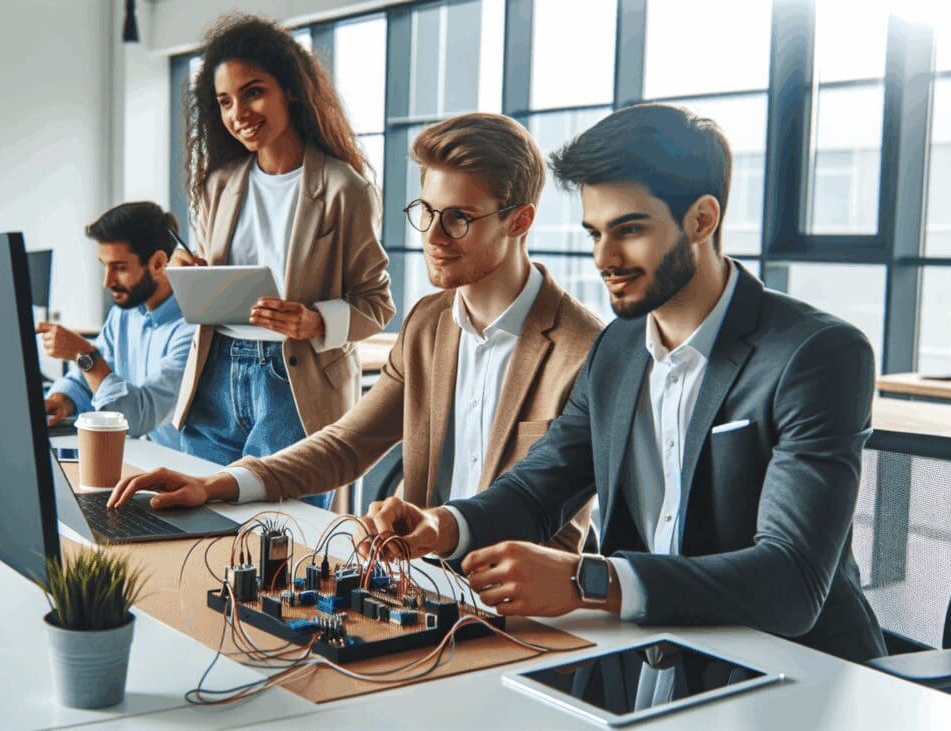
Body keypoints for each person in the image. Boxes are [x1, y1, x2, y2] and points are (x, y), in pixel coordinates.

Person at [360, 103, 887, 663]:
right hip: (641, 659)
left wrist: (589, 581)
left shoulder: (817, 355)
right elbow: (538, 489)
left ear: (701, 220)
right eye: (595, 233)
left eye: (629, 230)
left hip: (791, 669)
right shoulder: (617, 349)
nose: (604, 258)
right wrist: (441, 524)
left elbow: (791, 581)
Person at [108, 113, 603, 553]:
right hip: (421, 584)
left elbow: (561, 527)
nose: (432, 237)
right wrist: (216, 485)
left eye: (458, 219)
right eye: (427, 211)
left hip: (516, 604)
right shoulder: (426, 324)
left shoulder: (584, 349)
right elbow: (347, 445)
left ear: (520, 220)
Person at [164, 14, 395, 509]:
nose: (238, 113)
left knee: (281, 537)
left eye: (253, 92)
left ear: (289, 90)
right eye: (225, 101)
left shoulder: (344, 189)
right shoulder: (219, 184)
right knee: (202, 526)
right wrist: (190, 274)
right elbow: (212, 285)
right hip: (215, 377)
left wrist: (315, 322)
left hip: (294, 386)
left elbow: (377, 304)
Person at [40, 202, 194, 450]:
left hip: (182, 465)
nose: (107, 281)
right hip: (140, 454)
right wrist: (63, 401)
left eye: (120, 268)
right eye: (105, 265)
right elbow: (94, 380)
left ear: (158, 263)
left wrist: (84, 354)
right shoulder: (124, 314)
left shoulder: (192, 328)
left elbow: (138, 417)